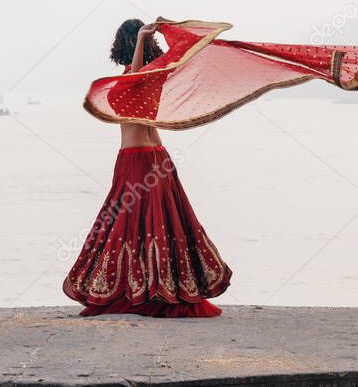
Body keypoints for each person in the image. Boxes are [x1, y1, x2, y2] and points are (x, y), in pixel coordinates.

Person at [62, 18, 232, 317]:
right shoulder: (154, 76)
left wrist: (141, 38)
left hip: (139, 158)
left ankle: (146, 290)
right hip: (153, 158)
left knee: (133, 224)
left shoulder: (144, 76)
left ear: (121, 43)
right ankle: (152, 286)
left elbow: (137, 75)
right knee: (150, 223)